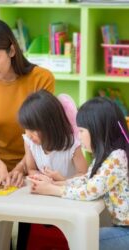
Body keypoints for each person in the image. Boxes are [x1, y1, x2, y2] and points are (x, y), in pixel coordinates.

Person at [29, 97, 129, 250]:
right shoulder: (105, 157)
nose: (79, 136)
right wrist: (57, 183)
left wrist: (53, 190)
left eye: (81, 130)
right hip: (122, 228)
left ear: (98, 130)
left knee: (85, 239)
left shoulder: (117, 157)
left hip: (126, 231)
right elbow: (88, 180)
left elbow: (91, 191)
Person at [0, 19, 55, 190]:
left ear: (12, 51)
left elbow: (42, 134)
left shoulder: (42, 79)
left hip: (35, 168)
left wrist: (21, 167)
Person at [18, 89, 88, 180]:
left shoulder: (72, 144)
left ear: (51, 127)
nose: (29, 135)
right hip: (45, 190)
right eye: (26, 128)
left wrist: (62, 180)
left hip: (66, 190)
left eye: (33, 130)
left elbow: (83, 173)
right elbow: (31, 169)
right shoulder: (29, 142)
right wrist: (42, 177)